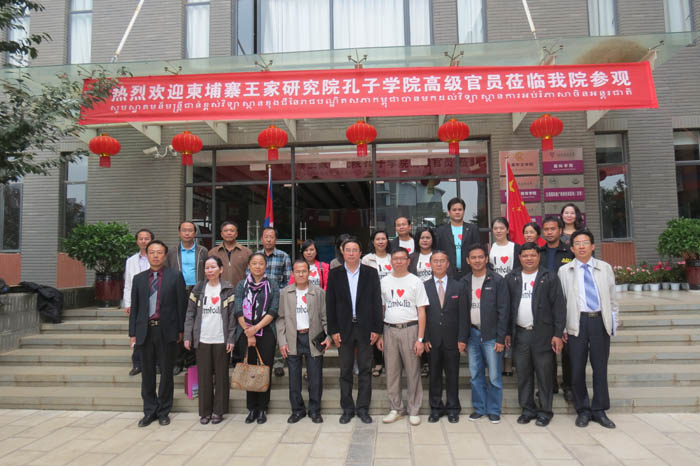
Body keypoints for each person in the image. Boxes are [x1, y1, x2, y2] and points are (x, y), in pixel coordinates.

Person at [558, 230, 618, 429]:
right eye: (577, 243)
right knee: (576, 369)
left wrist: (613, 323)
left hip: (599, 321)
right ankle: (583, 410)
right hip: (577, 323)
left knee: (600, 368)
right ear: (572, 248)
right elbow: (561, 302)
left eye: (585, 242)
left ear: (592, 246)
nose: (581, 246)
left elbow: (612, 299)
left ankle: (599, 409)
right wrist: (563, 327)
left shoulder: (605, 268)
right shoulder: (564, 271)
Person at [505, 243, 566, 427]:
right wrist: (507, 333)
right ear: (519, 258)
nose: (529, 259)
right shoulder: (512, 277)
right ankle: (527, 409)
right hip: (520, 334)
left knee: (544, 375)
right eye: (525, 256)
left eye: (532, 255)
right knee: (523, 374)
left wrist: (558, 334)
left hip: (543, 334)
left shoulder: (549, 276)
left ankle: (545, 411)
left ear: (539, 257)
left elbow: (559, 307)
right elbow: (506, 308)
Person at [129, 240, 186, 428]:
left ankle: (163, 411)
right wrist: (132, 333)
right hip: (145, 331)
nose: (155, 255)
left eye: (159, 252)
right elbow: (135, 308)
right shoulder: (138, 279)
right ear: (147, 254)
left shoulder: (175, 276)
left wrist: (181, 330)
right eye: (152, 252)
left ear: (165, 255)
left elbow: (181, 305)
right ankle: (149, 411)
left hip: (166, 330)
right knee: (147, 374)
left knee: (167, 373)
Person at [326, 237, 382, 424]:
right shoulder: (335, 274)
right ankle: (347, 409)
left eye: (355, 250)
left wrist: (377, 329)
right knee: (345, 370)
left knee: (365, 369)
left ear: (360, 253)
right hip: (344, 329)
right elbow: (330, 304)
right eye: (348, 250)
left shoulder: (370, 273)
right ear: (343, 252)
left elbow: (376, 302)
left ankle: (363, 409)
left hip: (365, 328)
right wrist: (333, 330)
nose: (351, 253)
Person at [377, 247, 428, 426]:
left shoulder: (416, 281)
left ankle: (414, 409)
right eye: (395, 258)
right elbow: (382, 309)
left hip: (410, 329)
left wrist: (420, 339)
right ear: (391, 261)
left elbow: (421, 311)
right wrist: (381, 334)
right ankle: (396, 408)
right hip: (389, 329)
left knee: (413, 371)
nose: (398, 261)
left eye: (402, 258)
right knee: (392, 372)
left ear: (408, 261)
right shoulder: (384, 282)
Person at [277, 260, 331, 424]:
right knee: (294, 378)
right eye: (297, 271)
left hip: (313, 338)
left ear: (309, 273)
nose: (300, 274)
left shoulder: (318, 292)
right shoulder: (285, 293)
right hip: (293, 338)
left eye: (304, 271)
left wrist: (328, 336)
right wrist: (282, 341)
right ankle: (297, 410)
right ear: (292, 273)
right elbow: (280, 318)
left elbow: (325, 316)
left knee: (315, 377)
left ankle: (315, 410)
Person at [183, 256, 235, 425]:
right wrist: (188, 336)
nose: (210, 270)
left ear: (221, 269)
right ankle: (205, 412)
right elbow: (190, 313)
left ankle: (218, 411)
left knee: (221, 377)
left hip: (221, 339)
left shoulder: (228, 289)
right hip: (202, 338)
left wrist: (231, 338)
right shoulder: (198, 289)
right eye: (207, 268)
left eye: (213, 267)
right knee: (204, 376)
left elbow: (232, 317)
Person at [463, 243, 509, 424]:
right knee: (475, 374)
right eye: (473, 257)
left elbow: (503, 311)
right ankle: (479, 408)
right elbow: (461, 312)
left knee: (495, 376)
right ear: (468, 260)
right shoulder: (465, 281)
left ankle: (494, 410)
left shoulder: (497, 280)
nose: (477, 260)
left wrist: (500, 338)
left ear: (486, 259)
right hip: (472, 334)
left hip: (491, 336)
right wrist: (463, 338)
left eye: (480, 257)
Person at [233, 253, 280, 424]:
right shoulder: (241, 285)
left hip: (266, 332)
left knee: (264, 370)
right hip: (245, 333)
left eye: (261, 263)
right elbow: (238, 309)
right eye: (254, 263)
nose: (258, 266)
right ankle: (251, 408)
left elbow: (273, 310)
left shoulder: (272, 284)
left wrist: (256, 328)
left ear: (265, 266)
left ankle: (262, 408)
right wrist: (249, 331)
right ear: (249, 266)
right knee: (249, 368)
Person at [423, 251, 469, 423]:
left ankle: (453, 408)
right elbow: (422, 314)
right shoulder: (424, 286)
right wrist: (425, 338)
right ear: (430, 264)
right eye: (435, 261)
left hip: (453, 340)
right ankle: (435, 408)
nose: (439, 264)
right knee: (434, 376)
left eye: (442, 261)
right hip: (432, 340)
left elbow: (464, 315)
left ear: (448, 264)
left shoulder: (459, 286)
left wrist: (462, 339)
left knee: (452, 375)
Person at [166, 221, 208, 375]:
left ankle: (192, 360)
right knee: (179, 325)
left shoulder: (202, 251)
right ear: (179, 233)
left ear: (194, 233)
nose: (187, 233)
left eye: (190, 230)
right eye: (184, 230)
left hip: (197, 291)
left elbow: (207, 271)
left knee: (196, 325)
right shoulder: (172, 252)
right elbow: (167, 271)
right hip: (177, 292)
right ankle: (178, 360)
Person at [540, 215, 575, 400]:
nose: (549, 232)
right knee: (547, 350)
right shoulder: (539, 253)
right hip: (544, 307)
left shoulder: (570, 253)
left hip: (567, 306)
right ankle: (550, 384)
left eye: (553, 229)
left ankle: (568, 386)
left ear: (560, 231)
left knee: (568, 350)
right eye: (546, 229)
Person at [256, 227, 292, 377]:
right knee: (260, 330)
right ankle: (260, 361)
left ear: (276, 240)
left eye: (272, 237)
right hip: (258, 299)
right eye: (266, 237)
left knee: (277, 331)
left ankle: (278, 363)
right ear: (261, 239)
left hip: (278, 300)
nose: (269, 239)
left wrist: (276, 295)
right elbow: (249, 277)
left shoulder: (284, 256)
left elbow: (288, 280)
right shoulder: (256, 256)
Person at [489, 217, 520, 378]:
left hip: (511, 290)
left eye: (502, 228)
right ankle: (499, 361)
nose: (499, 231)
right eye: (495, 228)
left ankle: (508, 363)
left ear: (507, 230)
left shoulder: (515, 247)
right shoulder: (490, 247)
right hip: (495, 291)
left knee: (509, 325)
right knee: (498, 324)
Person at [123, 228, 154, 376]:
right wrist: (128, 303)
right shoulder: (131, 261)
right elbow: (128, 283)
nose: (143, 241)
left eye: (146, 238)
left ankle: (153, 362)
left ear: (152, 240)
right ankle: (137, 363)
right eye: (141, 239)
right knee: (137, 332)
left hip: (154, 299)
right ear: (137, 241)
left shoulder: (157, 257)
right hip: (138, 301)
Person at [361, 230, 392, 377]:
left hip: (392, 298)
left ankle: (390, 362)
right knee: (376, 329)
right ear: (373, 242)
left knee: (389, 330)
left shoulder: (392, 257)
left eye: (383, 239)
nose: (380, 242)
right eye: (377, 239)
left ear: (387, 241)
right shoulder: (367, 259)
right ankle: (378, 363)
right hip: (373, 299)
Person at [436, 197, 480, 279]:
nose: (457, 212)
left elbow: (478, 250)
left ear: (464, 211)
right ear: (449, 212)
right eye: (454, 210)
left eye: (460, 209)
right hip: (448, 274)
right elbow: (438, 251)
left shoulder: (472, 229)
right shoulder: (441, 231)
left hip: (469, 273)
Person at [208, 221, 252, 289]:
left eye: (232, 231)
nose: (229, 233)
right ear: (221, 234)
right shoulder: (213, 252)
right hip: (219, 291)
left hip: (241, 291)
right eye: (226, 231)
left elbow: (252, 273)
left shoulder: (246, 252)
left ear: (236, 234)